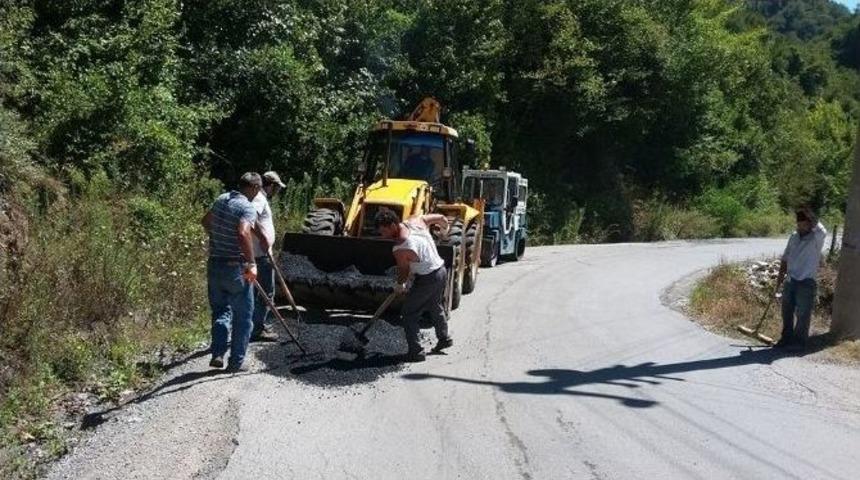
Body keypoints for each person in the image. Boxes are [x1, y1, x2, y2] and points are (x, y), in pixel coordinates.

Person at [201, 172, 268, 371]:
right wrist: (251, 263)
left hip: (215, 264)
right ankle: (236, 362)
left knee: (221, 311)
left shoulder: (221, 199)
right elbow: (243, 232)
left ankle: (218, 353)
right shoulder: (246, 207)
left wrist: (218, 239)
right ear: (255, 188)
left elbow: (205, 221)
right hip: (235, 267)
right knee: (243, 316)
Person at [375, 209, 453, 362]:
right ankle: (444, 338)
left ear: (392, 225)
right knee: (434, 304)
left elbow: (404, 270)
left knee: (409, 313)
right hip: (441, 271)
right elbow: (442, 217)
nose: (382, 235)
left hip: (428, 278)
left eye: (383, 231)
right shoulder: (415, 221)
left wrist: (400, 284)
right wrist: (445, 228)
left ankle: (416, 352)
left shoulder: (401, 247)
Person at [774, 207, 827, 350]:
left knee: (803, 314)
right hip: (790, 280)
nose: (800, 227)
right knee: (786, 311)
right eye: (799, 224)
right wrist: (780, 277)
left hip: (806, 281)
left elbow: (822, 230)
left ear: (810, 224)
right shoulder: (793, 236)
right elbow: (785, 258)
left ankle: (799, 342)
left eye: (804, 224)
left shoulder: (816, 238)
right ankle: (786, 339)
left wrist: (811, 214)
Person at [250, 171, 286, 342]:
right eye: (277, 188)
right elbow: (250, 219)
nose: (277, 192)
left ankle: (255, 325)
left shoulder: (257, 198)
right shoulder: (259, 199)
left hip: (257, 253)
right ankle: (257, 329)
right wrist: (264, 240)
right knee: (266, 292)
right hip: (260, 255)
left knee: (257, 293)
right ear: (271, 185)